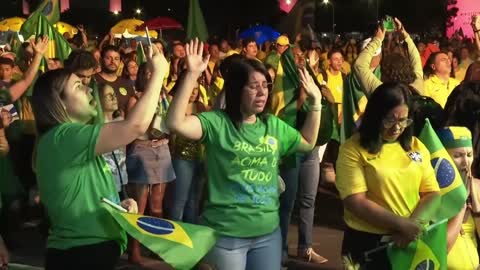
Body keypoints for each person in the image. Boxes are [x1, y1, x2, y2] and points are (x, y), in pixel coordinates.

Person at [166, 39, 322, 270]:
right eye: (253, 86)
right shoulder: (217, 123)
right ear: (237, 89)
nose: (262, 92)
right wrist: (191, 75)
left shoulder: (273, 125)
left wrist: (316, 102)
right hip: (226, 236)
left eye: (265, 85)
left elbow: (308, 142)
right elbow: (175, 122)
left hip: (268, 235)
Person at [30, 44, 168, 270]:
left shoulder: (69, 140)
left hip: (89, 253)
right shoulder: (62, 137)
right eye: (78, 86)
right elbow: (135, 126)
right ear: (59, 102)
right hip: (80, 256)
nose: (87, 89)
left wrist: (115, 206)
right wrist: (159, 74)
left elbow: (82, 194)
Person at [336, 82, 441, 269]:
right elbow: (355, 201)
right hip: (368, 244)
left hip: (408, 242)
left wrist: (412, 226)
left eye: (403, 120)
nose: (397, 128)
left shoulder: (416, 146)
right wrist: (402, 224)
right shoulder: (352, 149)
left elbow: (432, 193)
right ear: (376, 116)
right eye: (390, 120)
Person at [437, 127, 480, 270]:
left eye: (469, 154)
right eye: (458, 155)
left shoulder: (477, 186)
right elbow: (441, 249)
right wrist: (462, 205)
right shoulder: (432, 192)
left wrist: (476, 205)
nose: (466, 161)